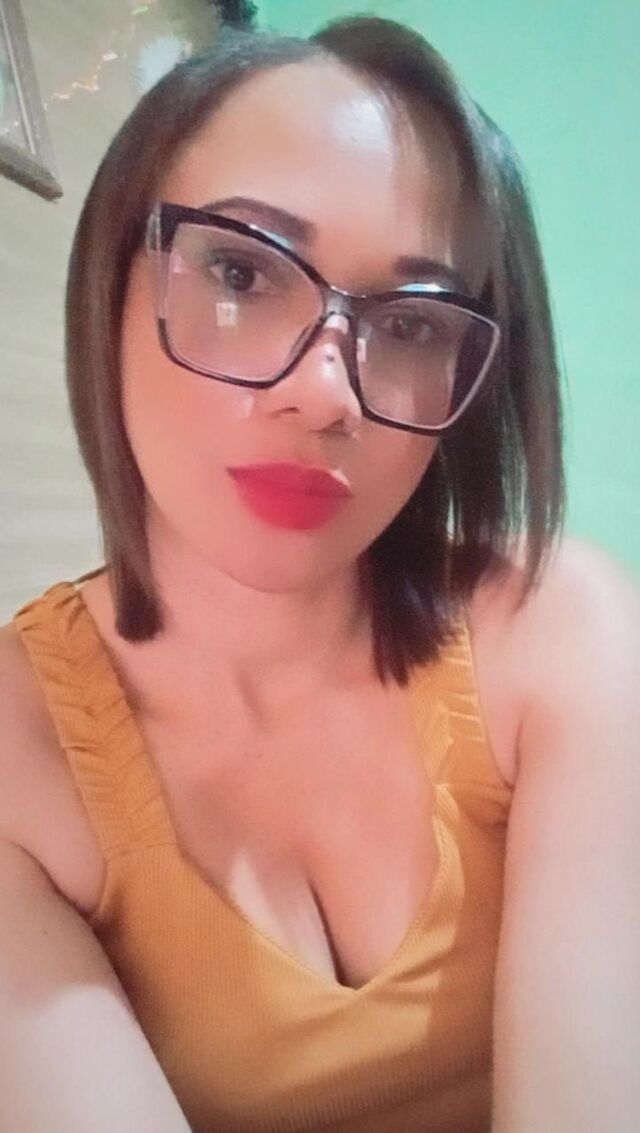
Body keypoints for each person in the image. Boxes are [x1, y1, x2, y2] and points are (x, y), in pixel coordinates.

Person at [1, 15, 638, 1133]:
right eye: (242, 270)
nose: (328, 393)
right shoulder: (24, 748)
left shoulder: (558, 631)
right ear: (111, 280)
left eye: (413, 323)